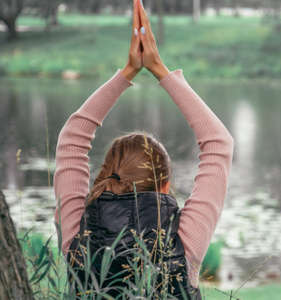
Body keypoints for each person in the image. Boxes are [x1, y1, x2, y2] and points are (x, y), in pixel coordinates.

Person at [53, 1, 234, 298]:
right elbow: (219, 143)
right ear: (164, 185)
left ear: (107, 175)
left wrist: (128, 71)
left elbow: (72, 140)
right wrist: (158, 68)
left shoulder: (77, 236)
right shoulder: (183, 244)